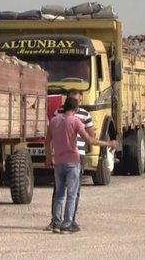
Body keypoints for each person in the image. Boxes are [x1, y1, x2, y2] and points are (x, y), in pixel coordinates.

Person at [45, 97, 117, 234]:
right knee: (71, 195)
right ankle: (67, 225)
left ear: (64, 107)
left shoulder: (54, 121)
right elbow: (89, 140)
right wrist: (109, 143)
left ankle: (56, 222)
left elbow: (47, 141)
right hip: (73, 161)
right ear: (76, 109)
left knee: (59, 194)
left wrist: (49, 157)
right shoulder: (76, 122)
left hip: (58, 162)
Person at [45, 89, 95, 232]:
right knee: (61, 191)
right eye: (73, 99)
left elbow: (90, 134)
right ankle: (59, 221)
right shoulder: (58, 113)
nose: (76, 102)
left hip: (78, 153)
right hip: (67, 156)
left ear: (81, 100)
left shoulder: (85, 114)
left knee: (73, 191)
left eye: (77, 100)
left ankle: (70, 220)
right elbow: (91, 138)